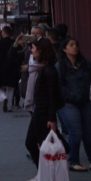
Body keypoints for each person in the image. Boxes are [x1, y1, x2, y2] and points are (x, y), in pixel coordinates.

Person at [56, 37, 91, 172]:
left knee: (88, 132)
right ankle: (73, 161)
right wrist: (68, 96)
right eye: (71, 45)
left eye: (76, 45)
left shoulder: (85, 63)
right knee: (75, 131)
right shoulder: (60, 66)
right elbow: (58, 85)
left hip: (86, 101)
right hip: (68, 103)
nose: (74, 47)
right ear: (64, 49)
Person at [25, 38, 62, 167]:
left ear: (40, 51)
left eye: (33, 48)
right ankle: (43, 172)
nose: (31, 50)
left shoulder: (48, 70)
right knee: (35, 142)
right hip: (39, 110)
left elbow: (52, 96)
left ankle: (45, 173)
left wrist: (51, 118)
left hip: (43, 113)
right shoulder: (43, 69)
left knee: (38, 143)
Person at [0, 27, 18, 110]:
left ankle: (3, 97)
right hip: (12, 67)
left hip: (0, 67)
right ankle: (9, 106)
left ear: (3, 33)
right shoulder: (14, 42)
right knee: (10, 88)